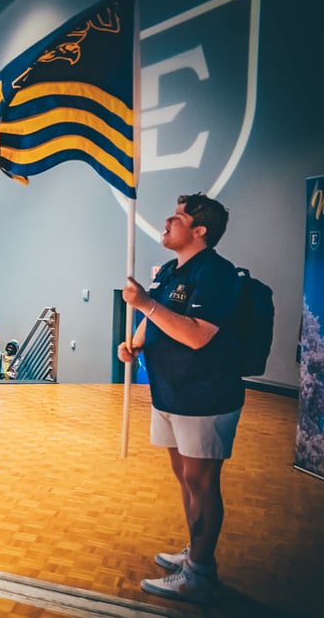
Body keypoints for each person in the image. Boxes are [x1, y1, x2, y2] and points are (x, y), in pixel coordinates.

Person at [117, 193, 244, 603]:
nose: (166, 224)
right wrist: (134, 344)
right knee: (184, 478)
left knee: (201, 481)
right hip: (170, 393)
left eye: (177, 218)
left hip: (205, 395)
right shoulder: (174, 269)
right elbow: (154, 321)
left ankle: (201, 573)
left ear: (199, 230)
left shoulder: (216, 273)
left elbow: (195, 333)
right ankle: (196, 552)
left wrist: (146, 305)